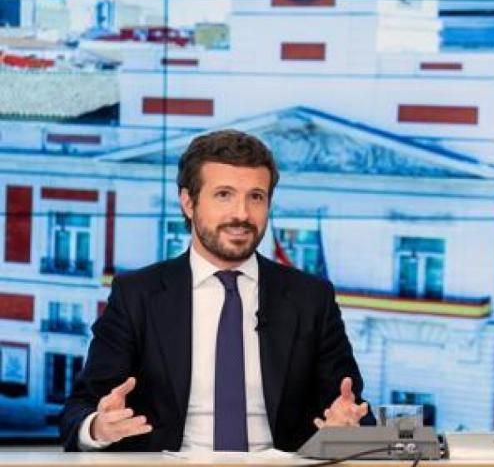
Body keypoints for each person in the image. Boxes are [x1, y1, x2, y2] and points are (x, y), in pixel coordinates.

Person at [60, 130, 372, 452]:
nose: (241, 213)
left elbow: (353, 410)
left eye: (256, 197)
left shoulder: (311, 298)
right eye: (224, 195)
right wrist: (99, 426)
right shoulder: (137, 295)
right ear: (188, 203)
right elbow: (77, 412)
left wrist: (346, 428)